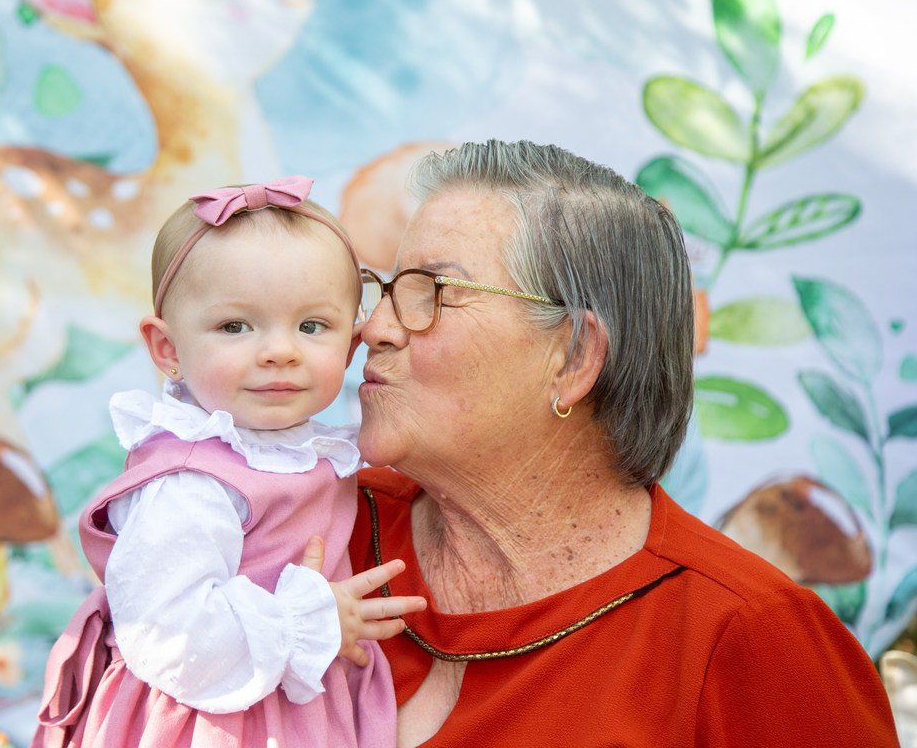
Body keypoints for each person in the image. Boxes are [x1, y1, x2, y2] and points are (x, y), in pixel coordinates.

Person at [329, 139, 900, 746]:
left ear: (574, 358)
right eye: (384, 290)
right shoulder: (310, 525)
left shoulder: (750, 638)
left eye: (432, 292)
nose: (375, 328)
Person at [33, 176, 425, 748]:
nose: (280, 351)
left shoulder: (315, 456)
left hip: (290, 703)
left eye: (312, 326)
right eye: (234, 326)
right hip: (208, 716)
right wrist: (305, 623)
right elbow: (167, 633)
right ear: (168, 349)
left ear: (350, 344)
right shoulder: (193, 480)